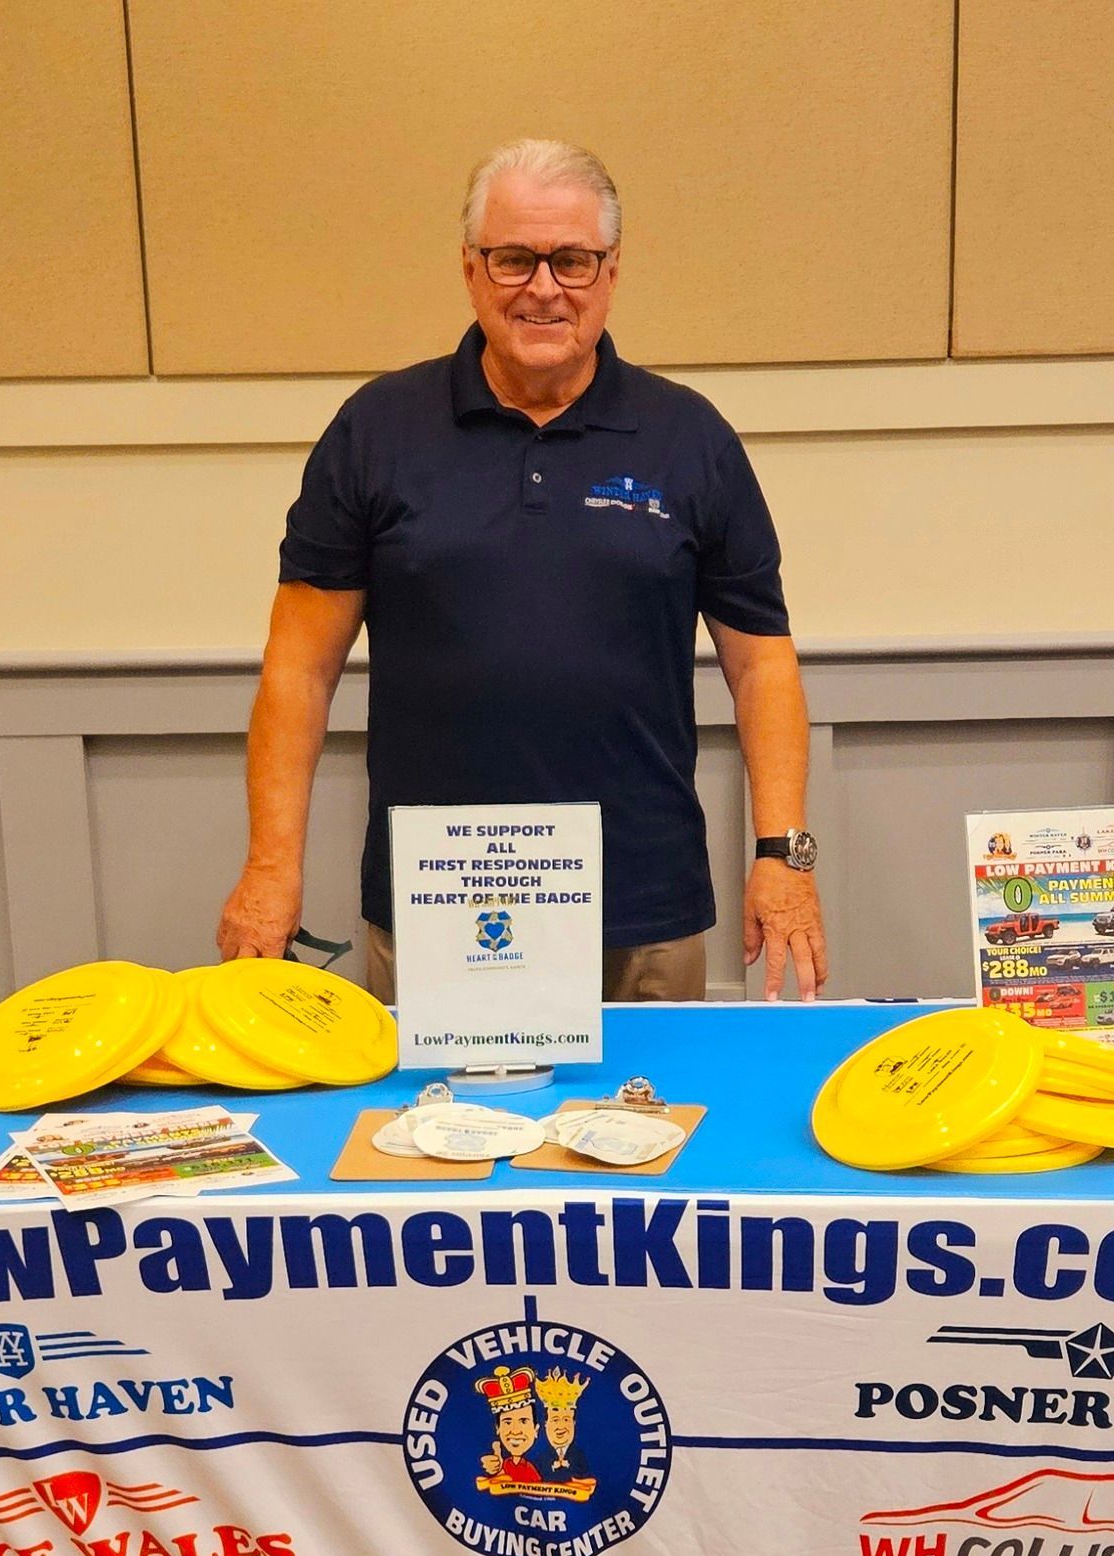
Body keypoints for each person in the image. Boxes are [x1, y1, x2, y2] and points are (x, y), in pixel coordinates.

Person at [217, 137, 827, 1001]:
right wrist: (270, 872)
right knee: (425, 1136)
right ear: (470, 269)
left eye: (572, 261)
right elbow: (299, 667)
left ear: (611, 271)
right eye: (514, 259)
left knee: (640, 1131)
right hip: (438, 904)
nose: (543, 288)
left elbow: (761, 662)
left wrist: (783, 856)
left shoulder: (689, 438)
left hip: (643, 909)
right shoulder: (376, 430)